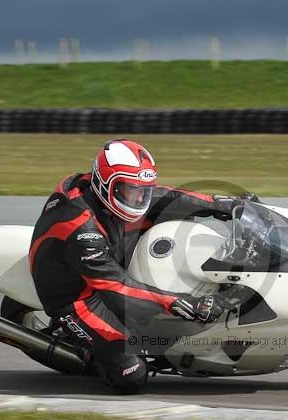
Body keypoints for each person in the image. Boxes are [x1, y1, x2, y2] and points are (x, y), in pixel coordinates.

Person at [29, 139, 241, 394]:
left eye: (143, 190)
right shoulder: (80, 227)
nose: (139, 199)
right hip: (78, 296)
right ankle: (90, 354)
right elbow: (115, 285)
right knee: (131, 374)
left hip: (107, 258)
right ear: (104, 185)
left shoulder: (113, 197)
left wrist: (221, 204)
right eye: (130, 191)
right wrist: (178, 301)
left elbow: (167, 197)